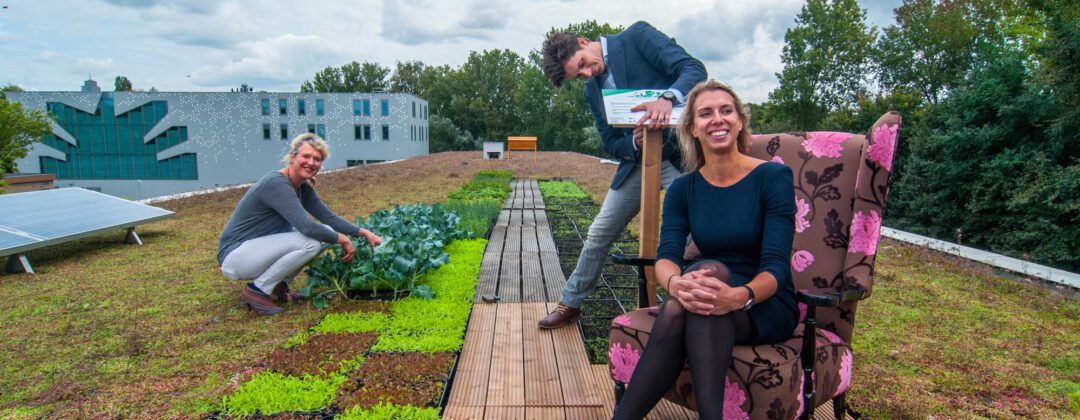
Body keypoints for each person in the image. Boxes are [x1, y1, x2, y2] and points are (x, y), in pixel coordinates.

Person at [611, 80, 798, 419]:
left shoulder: (773, 177)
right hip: (707, 294)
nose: (717, 120)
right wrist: (675, 285)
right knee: (699, 290)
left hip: (763, 300)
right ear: (693, 128)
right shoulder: (684, 188)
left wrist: (739, 296)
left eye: (726, 111)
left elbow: (777, 267)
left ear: (740, 121)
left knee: (701, 287)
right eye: (705, 114)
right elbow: (667, 256)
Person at [537, 21, 706, 328]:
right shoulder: (593, 91)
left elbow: (693, 69)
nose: (588, 74)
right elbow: (610, 143)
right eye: (580, 75)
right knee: (599, 233)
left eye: (584, 64)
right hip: (637, 164)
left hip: (676, 157)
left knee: (699, 232)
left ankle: (689, 308)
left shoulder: (637, 37)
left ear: (583, 41)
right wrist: (632, 142)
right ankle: (570, 302)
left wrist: (666, 100)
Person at [218, 133, 383, 315]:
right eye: (306, 156)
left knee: (326, 232)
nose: (311, 162)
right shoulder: (277, 184)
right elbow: (307, 226)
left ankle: (278, 286)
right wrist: (343, 240)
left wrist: (365, 233)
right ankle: (258, 291)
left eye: (317, 159)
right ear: (292, 157)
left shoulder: (301, 187)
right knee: (311, 242)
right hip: (236, 256)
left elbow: (329, 218)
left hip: (254, 252)